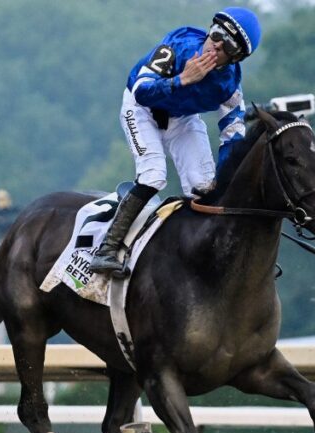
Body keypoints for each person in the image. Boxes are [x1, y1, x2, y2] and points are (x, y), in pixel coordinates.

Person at [89, 7, 262, 275]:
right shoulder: (179, 45)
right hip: (141, 109)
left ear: (235, 57)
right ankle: (107, 249)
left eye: (225, 45)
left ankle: (197, 251)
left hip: (182, 118)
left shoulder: (229, 86)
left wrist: (226, 181)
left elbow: (233, 136)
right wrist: (182, 80)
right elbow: (143, 92)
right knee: (153, 175)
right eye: (215, 34)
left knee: (204, 186)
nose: (214, 46)